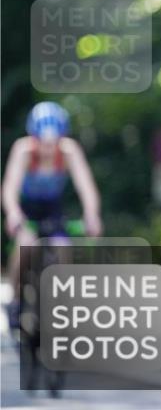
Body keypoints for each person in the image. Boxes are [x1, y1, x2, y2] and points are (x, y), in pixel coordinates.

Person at [2, 102, 102, 329]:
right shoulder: (23, 150)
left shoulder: (69, 151)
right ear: (34, 137)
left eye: (53, 142)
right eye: (43, 142)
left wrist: (92, 215)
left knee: (62, 247)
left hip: (53, 209)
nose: (48, 148)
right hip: (27, 210)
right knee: (25, 246)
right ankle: (15, 300)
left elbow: (86, 187)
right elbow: (9, 188)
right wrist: (14, 214)